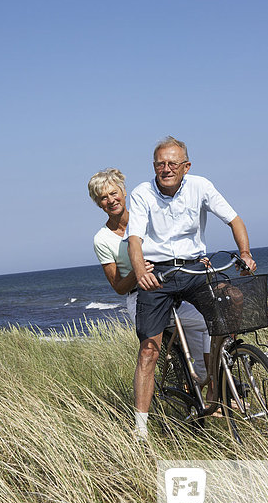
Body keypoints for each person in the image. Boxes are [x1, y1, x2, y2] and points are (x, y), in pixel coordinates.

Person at [127, 136, 256, 439]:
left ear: (186, 166)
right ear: (154, 166)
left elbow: (234, 219)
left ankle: (215, 383)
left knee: (232, 299)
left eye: (173, 163)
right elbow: (135, 239)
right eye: (161, 163)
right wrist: (139, 270)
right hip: (158, 274)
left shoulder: (201, 186)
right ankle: (140, 430)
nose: (166, 168)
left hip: (195, 267)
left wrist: (245, 253)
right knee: (149, 351)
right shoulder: (142, 192)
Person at [87, 167, 210, 383]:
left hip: (173, 286)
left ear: (124, 192)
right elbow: (119, 287)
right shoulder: (102, 239)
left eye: (113, 193)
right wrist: (138, 271)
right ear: (98, 204)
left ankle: (210, 391)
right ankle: (186, 389)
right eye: (103, 198)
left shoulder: (147, 215)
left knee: (208, 323)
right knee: (157, 350)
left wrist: (195, 261)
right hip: (140, 296)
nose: (111, 200)